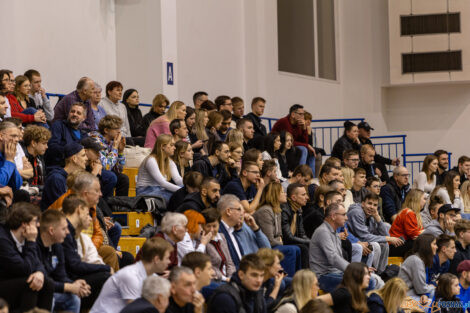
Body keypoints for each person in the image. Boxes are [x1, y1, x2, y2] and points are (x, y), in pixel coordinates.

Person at [90, 237, 173, 313]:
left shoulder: (152, 277)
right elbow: (136, 310)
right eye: (167, 258)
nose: (169, 262)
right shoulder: (130, 276)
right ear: (156, 259)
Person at [61, 194, 112, 311]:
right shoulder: (66, 229)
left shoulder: (72, 230)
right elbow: (74, 266)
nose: (89, 217)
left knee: (106, 275)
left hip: (68, 277)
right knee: (105, 277)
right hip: (64, 280)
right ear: (79, 209)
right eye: (87, 213)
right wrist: (105, 269)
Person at [0, 203, 54, 312]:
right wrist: (31, 242)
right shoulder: (3, 239)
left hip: (16, 281)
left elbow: (39, 263)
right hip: (3, 282)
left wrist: (40, 273)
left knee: (47, 283)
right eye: (35, 221)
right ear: (24, 224)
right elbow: (24, 269)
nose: (38, 225)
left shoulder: (28, 237)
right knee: (30, 284)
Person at [37, 210, 90, 313]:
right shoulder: (34, 247)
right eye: (64, 229)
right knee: (49, 299)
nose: (68, 232)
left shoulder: (57, 246)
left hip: (53, 289)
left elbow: (61, 276)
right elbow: (44, 282)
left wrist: (75, 284)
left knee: (74, 298)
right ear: (51, 231)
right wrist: (69, 287)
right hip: (38, 292)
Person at [347, 193, 403, 274]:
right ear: (363, 204)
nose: (372, 207)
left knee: (384, 244)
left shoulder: (372, 214)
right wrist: (388, 238)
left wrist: (378, 218)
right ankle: (371, 273)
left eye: (375, 205)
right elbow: (365, 236)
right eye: (369, 203)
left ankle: (380, 272)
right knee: (375, 245)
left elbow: (385, 234)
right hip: (353, 241)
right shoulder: (356, 212)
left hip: (363, 240)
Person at [41, 142, 87, 211]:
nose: (86, 158)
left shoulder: (75, 178)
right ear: (74, 158)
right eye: (83, 155)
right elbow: (64, 208)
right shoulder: (56, 179)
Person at [136, 134, 182, 202]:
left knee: (181, 192)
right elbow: (163, 183)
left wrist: (189, 186)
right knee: (176, 195)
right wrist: (183, 191)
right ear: (163, 146)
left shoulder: (169, 161)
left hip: (160, 190)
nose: (174, 148)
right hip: (145, 192)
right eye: (171, 145)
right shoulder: (151, 160)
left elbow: (178, 179)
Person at [271, 104, 315, 172]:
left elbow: (304, 142)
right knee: (303, 149)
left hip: (291, 145)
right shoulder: (284, 122)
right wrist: (307, 145)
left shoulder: (299, 123)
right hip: (280, 145)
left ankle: (312, 177)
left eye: (303, 114)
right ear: (293, 115)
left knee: (312, 152)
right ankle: (300, 174)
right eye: (300, 114)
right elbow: (289, 141)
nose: (303, 117)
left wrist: (304, 129)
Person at [45, 102, 89, 168]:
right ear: (68, 113)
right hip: (59, 167)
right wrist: (71, 152)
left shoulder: (84, 135)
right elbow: (52, 147)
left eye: (78, 113)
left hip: (79, 168)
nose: (74, 114)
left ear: (84, 118)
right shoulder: (58, 125)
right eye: (72, 111)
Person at [398, 233, 437, 301]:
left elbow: (422, 288)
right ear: (426, 246)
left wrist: (425, 293)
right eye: (434, 244)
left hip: (414, 294)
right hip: (404, 297)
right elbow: (421, 289)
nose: (437, 247)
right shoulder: (416, 261)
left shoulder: (421, 260)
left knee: (438, 296)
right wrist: (434, 287)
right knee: (434, 304)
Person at [201, 208, 236, 282]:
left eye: (214, 226)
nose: (211, 230)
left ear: (219, 225)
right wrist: (226, 279)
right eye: (208, 226)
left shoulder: (222, 237)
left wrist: (231, 277)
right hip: (214, 280)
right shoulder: (201, 242)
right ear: (203, 226)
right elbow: (208, 268)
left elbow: (229, 262)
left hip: (227, 279)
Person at [389, 189, 426, 257]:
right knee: (420, 243)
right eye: (424, 199)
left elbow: (418, 232)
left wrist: (423, 232)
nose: (425, 201)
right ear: (417, 199)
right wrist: (427, 231)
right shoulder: (408, 213)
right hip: (395, 246)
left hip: (401, 244)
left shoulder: (414, 213)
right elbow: (413, 234)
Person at [281, 183, 310, 268]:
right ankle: (304, 277)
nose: (307, 197)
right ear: (293, 197)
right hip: (283, 242)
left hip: (292, 241)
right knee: (304, 248)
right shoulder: (284, 210)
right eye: (303, 195)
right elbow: (288, 237)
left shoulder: (299, 210)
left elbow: (302, 234)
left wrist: (312, 242)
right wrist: (310, 242)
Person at [217, 194, 247, 267]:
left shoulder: (231, 230)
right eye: (239, 209)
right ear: (228, 211)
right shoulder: (218, 231)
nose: (242, 213)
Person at [22, 125, 50, 192]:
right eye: (44, 143)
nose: (47, 147)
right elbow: (26, 184)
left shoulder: (39, 157)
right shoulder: (22, 158)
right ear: (33, 143)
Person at [0, 121, 23, 191]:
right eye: (13, 136)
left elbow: (17, 185)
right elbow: (1, 183)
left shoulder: (7, 154)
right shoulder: (8, 158)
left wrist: (11, 161)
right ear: (1, 136)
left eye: (18, 137)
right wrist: (9, 161)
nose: (17, 140)